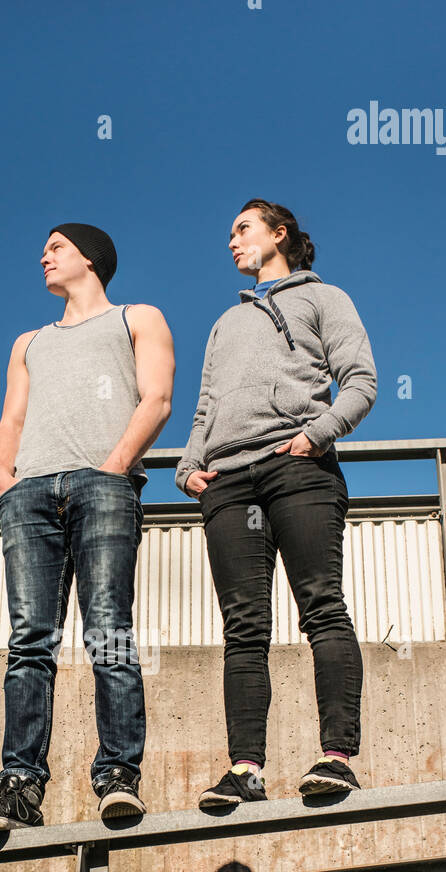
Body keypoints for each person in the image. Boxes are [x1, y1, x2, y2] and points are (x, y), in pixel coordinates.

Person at [0, 223, 175, 833]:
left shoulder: (138, 317)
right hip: (28, 496)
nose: (43, 257)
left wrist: (111, 469)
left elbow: (155, 399)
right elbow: (14, 414)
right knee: (30, 641)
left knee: (108, 629)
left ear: (90, 258)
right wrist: (4, 477)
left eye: (55, 247)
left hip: (104, 486)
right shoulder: (29, 341)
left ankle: (116, 778)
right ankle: (20, 790)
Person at [176, 199, 377, 807]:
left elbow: (362, 381)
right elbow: (206, 407)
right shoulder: (224, 324)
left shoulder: (324, 298)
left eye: (242, 229)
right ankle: (245, 771)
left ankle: (336, 758)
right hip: (228, 483)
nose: (232, 242)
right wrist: (189, 464)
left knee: (320, 606)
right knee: (243, 629)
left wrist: (315, 435)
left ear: (278, 233)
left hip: (299, 470)